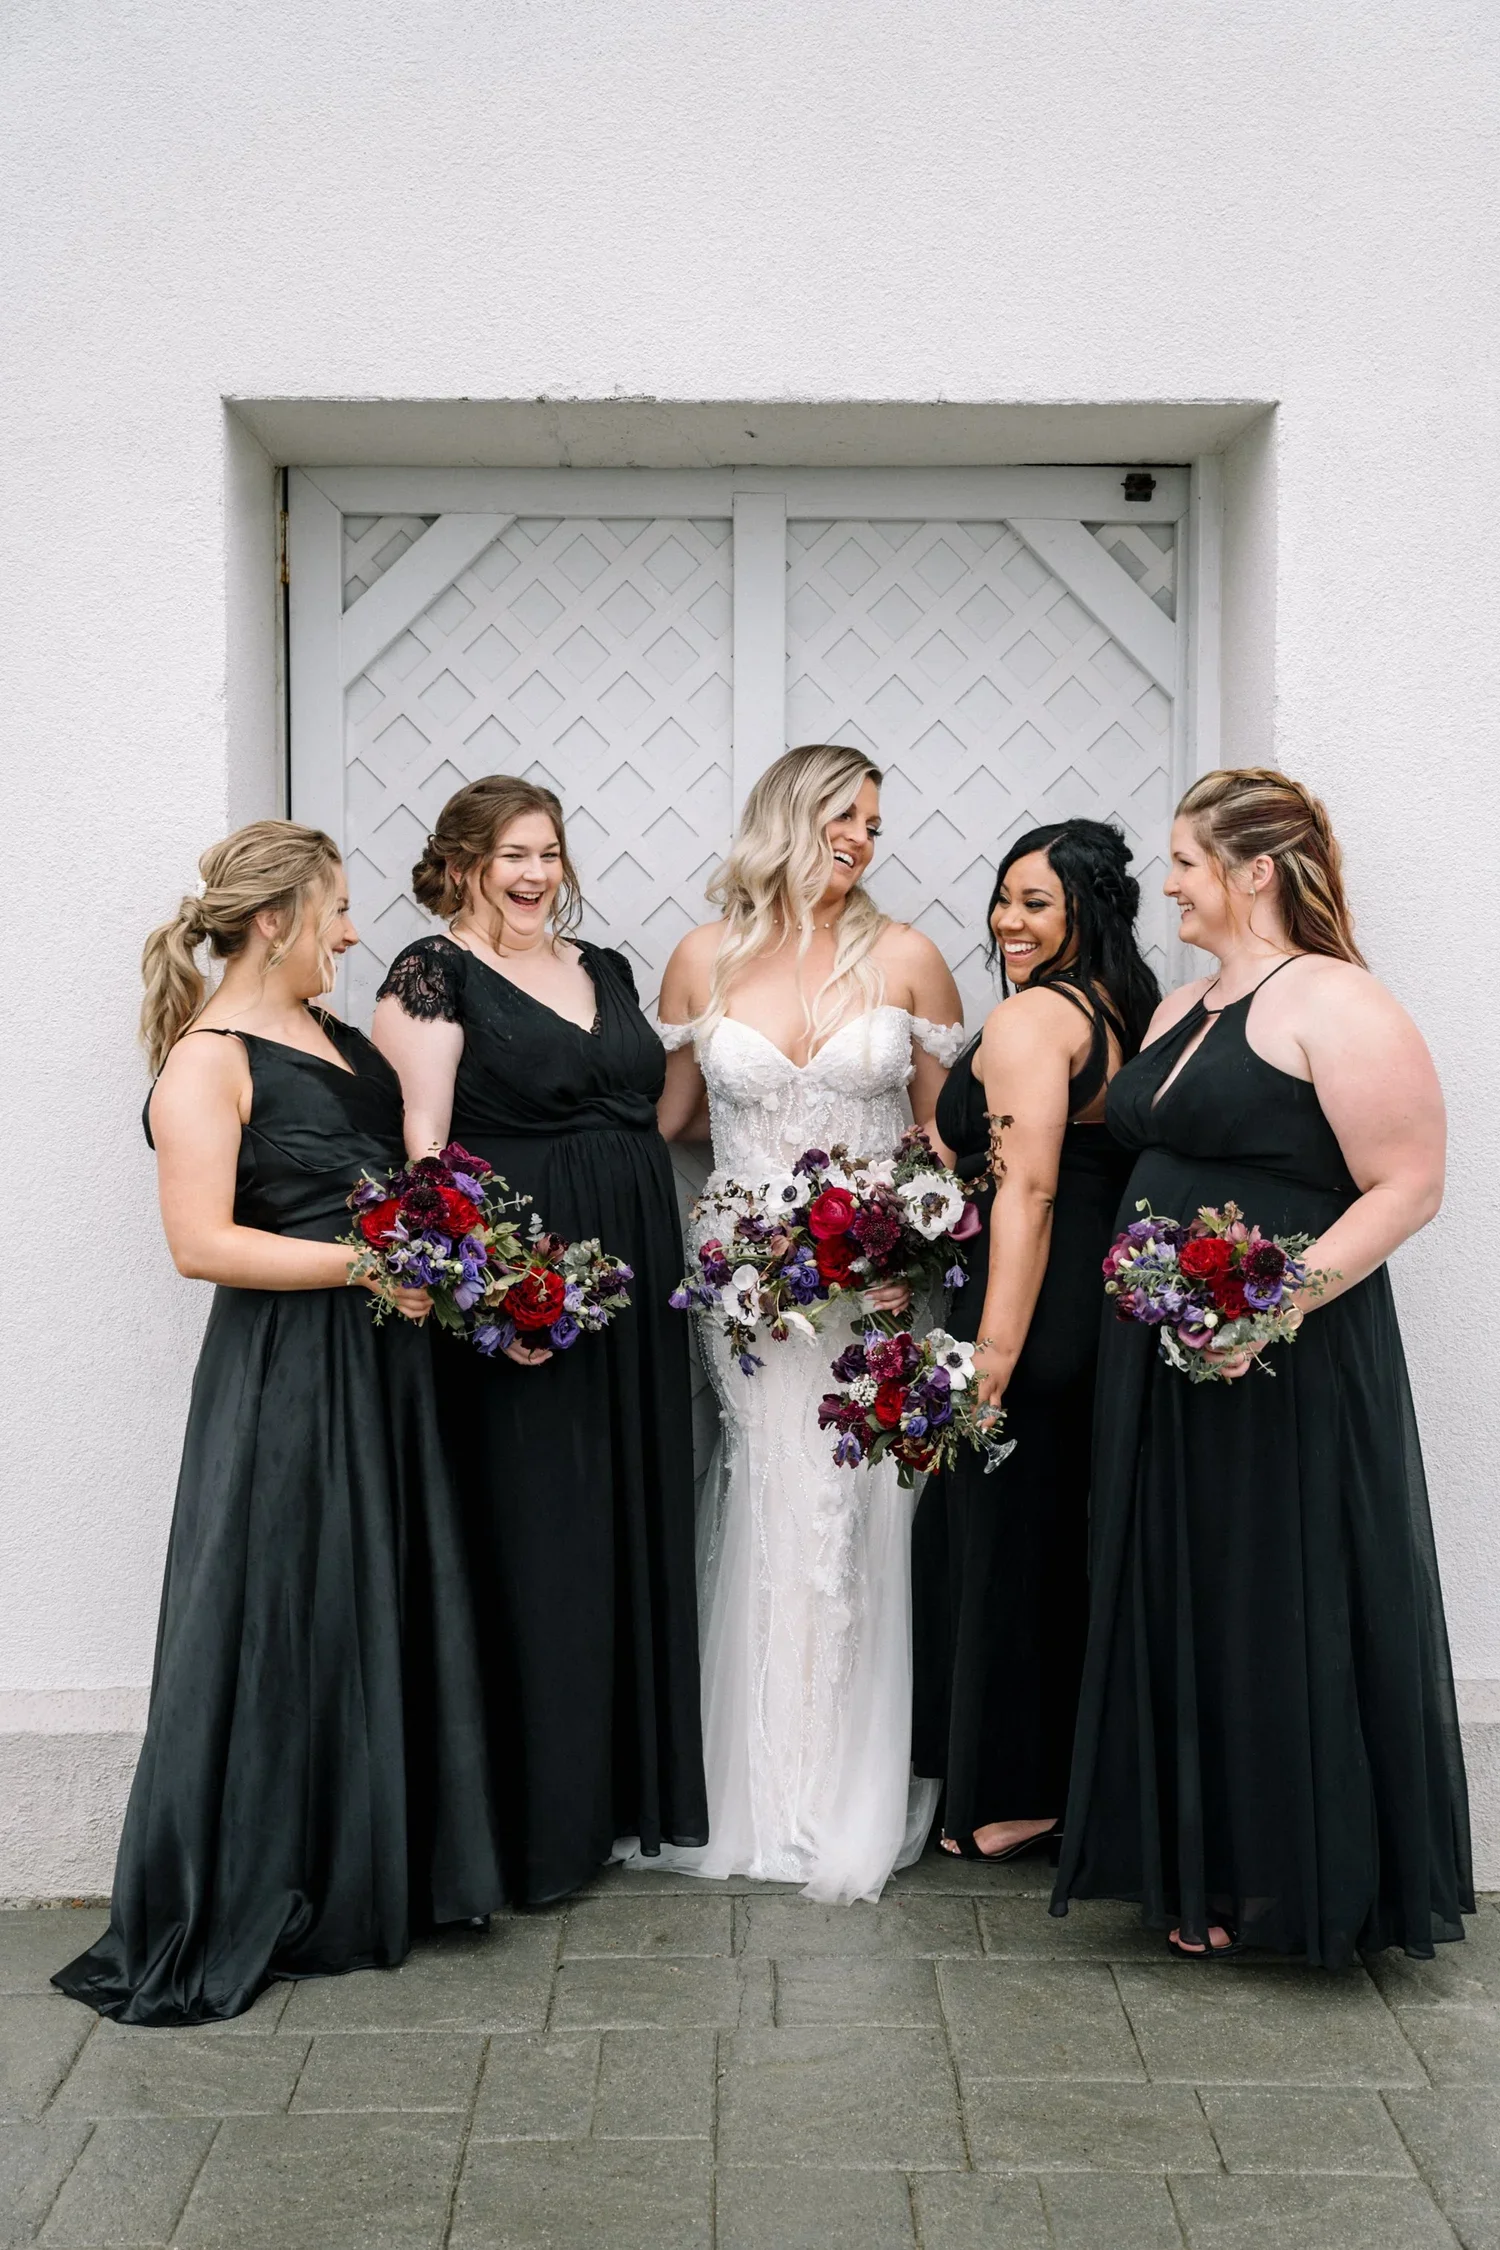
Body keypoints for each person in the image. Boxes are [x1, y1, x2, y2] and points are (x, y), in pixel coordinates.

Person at [55, 821, 501, 2027]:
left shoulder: (336, 1037)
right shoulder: (207, 1058)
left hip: (381, 1367)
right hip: (288, 1374)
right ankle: (268, 1881)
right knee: (285, 1605)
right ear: (275, 920)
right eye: (338, 909)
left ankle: (372, 1872)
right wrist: (366, 1266)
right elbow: (202, 1243)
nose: (354, 932)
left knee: (369, 1597)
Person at [1052, 768, 1473, 1965]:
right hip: (1165, 1359)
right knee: (1182, 1589)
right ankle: (1200, 1865)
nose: (1168, 883)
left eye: (1185, 861)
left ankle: (1293, 1880)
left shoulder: (1337, 1002)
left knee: (1269, 1594)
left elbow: (1410, 1185)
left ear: (1254, 873)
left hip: (1279, 1365)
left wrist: (1266, 1312)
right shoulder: (1188, 1004)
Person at [372, 775, 707, 1907]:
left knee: (622, 1519)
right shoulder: (432, 974)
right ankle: (534, 1827)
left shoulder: (601, 967)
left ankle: (617, 1801)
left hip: (632, 1276)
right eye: (511, 855)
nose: (533, 875)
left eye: (549, 853)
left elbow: (651, 1110)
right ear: (462, 861)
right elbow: (425, 1157)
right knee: (544, 1535)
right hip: (530, 1290)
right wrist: (494, 1296)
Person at [642, 743, 966, 1904]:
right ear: (788, 818)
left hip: (874, 1293)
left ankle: (846, 1796)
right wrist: (746, 1229)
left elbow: (946, 1143)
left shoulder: (911, 959)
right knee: (772, 1497)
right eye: (845, 817)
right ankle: (758, 1795)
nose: (863, 841)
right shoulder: (700, 960)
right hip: (751, 1301)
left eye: (876, 824)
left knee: (856, 1515)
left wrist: (902, 1246)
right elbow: (676, 1120)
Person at [912, 820, 1158, 1862]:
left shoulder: (1034, 1018)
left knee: (1002, 1545)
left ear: (1085, 911)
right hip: (1105, 1300)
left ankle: (1014, 1798)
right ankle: (1071, 1781)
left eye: (1035, 902)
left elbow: (1032, 1190)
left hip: (1036, 1305)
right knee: (1067, 1543)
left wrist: (992, 1357)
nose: (1009, 921)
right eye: (1005, 898)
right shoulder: (1130, 1008)